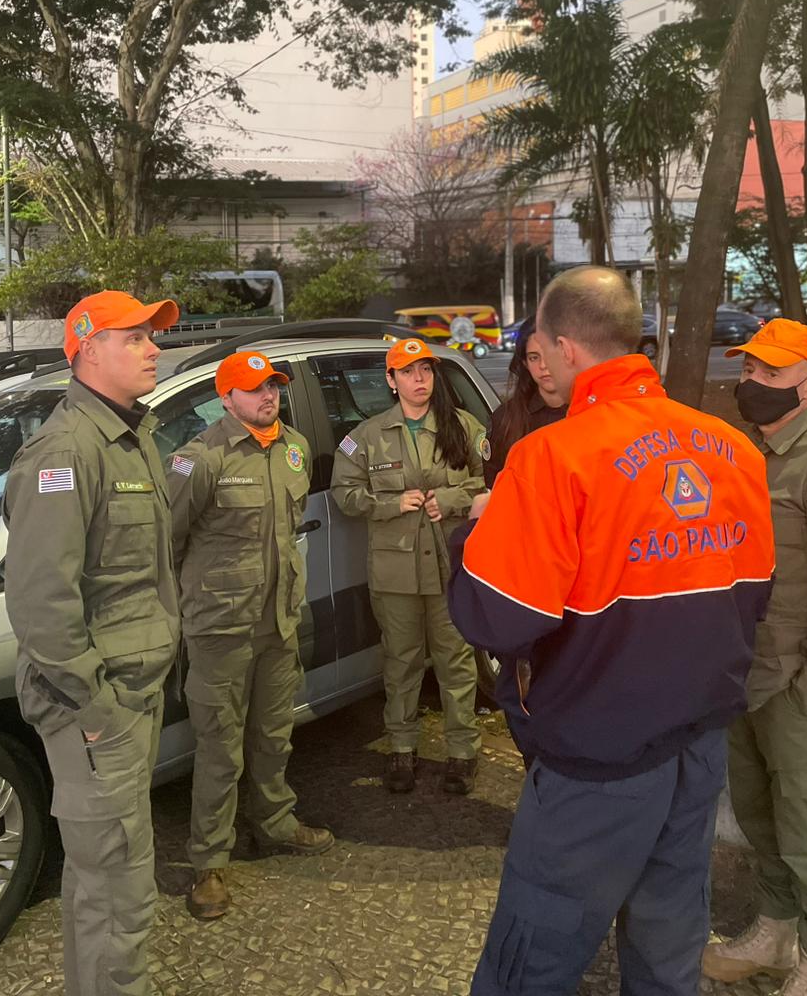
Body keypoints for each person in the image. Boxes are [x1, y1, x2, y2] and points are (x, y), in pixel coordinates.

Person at [448, 266, 775, 996]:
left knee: (534, 955)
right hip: (698, 746)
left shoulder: (553, 458)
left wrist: (472, 541)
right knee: (668, 946)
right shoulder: (733, 449)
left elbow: (497, 616)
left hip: (597, 757)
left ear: (564, 347)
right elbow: (754, 596)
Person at [4, 289, 181, 996]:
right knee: (119, 892)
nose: (154, 348)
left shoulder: (128, 435)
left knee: (105, 876)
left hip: (128, 695)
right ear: (86, 348)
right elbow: (42, 605)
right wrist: (100, 711)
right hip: (96, 710)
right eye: (134, 337)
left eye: (151, 336)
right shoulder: (66, 449)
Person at [703, 320, 807, 996]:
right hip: (747, 675)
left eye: (771, 372)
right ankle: (777, 930)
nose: (753, 383)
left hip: (802, 686)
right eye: (750, 370)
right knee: (759, 815)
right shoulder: (748, 453)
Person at [168, 351, 333, 923]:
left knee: (274, 733)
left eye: (274, 387)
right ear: (226, 397)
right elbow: (170, 542)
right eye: (256, 389)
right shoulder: (200, 459)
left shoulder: (293, 447)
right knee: (219, 747)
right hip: (221, 628)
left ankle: (275, 822)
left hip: (279, 621)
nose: (269, 396)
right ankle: (209, 862)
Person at [331, 337, 487, 795]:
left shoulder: (462, 425)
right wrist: (390, 503)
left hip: (447, 565)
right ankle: (402, 748)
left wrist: (454, 498)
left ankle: (462, 752)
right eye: (409, 372)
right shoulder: (366, 436)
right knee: (400, 662)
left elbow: (485, 486)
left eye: (426, 371)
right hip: (395, 570)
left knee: (456, 661)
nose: (420, 380)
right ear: (390, 380)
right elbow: (345, 494)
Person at [485, 317, 567, 487]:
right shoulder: (505, 419)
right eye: (534, 358)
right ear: (525, 363)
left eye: (549, 354)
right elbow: (493, 484)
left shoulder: (590, 412)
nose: (544, 365)